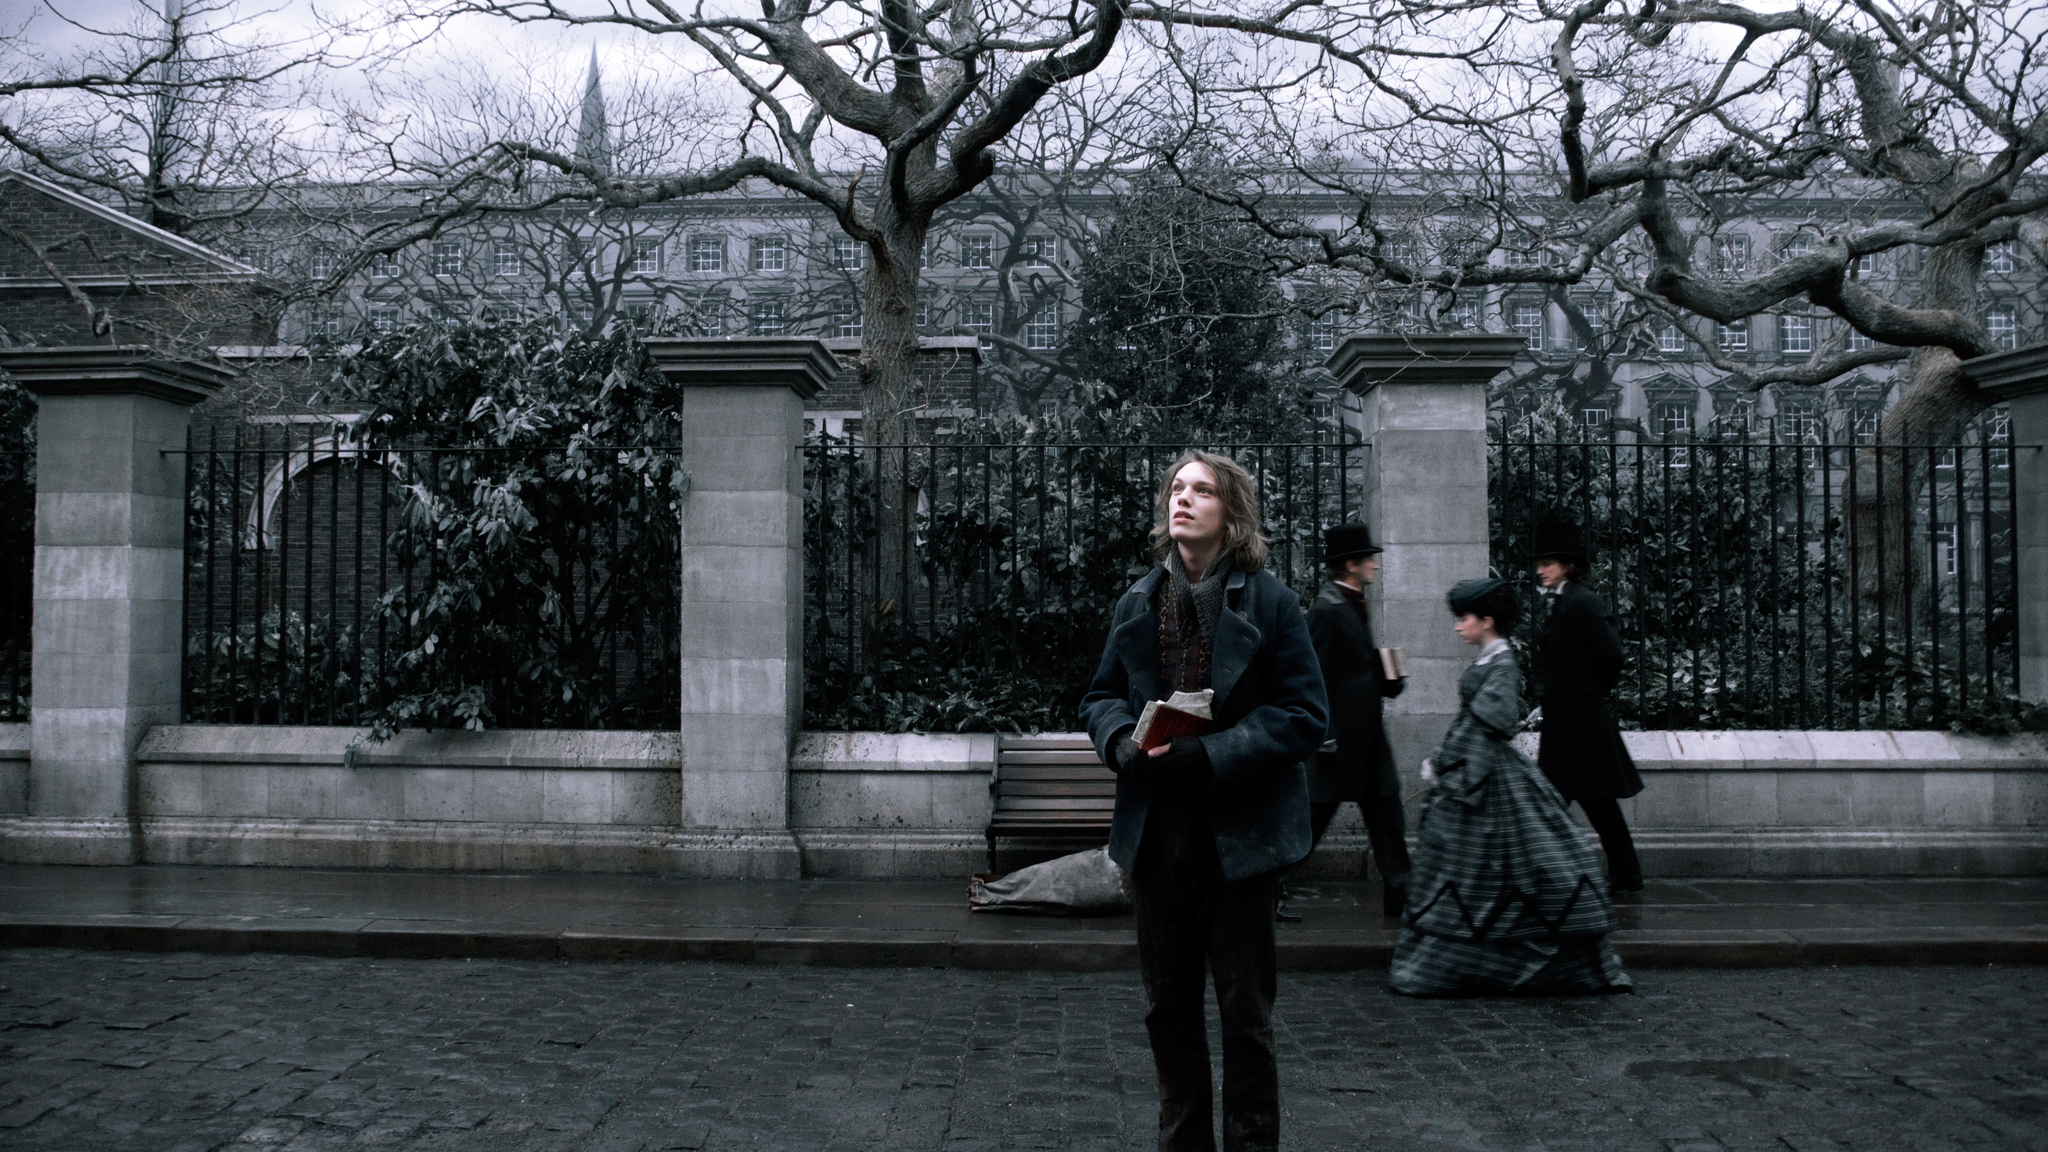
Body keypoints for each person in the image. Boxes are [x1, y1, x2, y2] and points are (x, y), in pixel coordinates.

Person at [1080, 450, 1328, 1152]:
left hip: (1241, 837)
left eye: (1202, 490)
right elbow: (1098, 696)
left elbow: (1306, 715)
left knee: (1245, 1015)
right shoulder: (1137, 600)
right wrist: (1121, 740)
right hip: (1155, 833)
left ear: (1232, 513)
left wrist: (1211, 753)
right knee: (1168, 1011)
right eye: (1177, 489)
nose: (1182, 500)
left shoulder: (1271, 602)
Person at [1390, 577, 1631, 997]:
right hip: (1474, 772)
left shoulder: (1501, 662)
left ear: (1486, 621)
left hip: (1488, 779)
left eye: (1464, 618)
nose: (1457, 626)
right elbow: (1473, 722)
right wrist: (1448, 757)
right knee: (1472, 873)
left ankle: (1506, 964)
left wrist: (1447, 761)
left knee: (1502, 870)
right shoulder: (1488, 658)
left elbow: (1493, 722)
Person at [1292, 520, 1409, 921]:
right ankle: (1264, 890)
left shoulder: (1352, 603)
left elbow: (1353, 670)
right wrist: (1326, 735)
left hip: (1368, 742)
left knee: (1389, 822)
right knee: (1310, 826)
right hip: (1340, 745)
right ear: (1351, 565)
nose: (1375, 566)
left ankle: (1403, 899)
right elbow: (1316, 676)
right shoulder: (1326, 610)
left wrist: (1388, 674)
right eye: (1369, 560)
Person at [1530, 518, 1645, 893]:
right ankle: (1624, 873)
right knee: (1590, 800)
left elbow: (1611, 654)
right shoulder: (1566, 600)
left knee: (1567, 799)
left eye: (1547, 562)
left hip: (1579, 719)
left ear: (1567, 565)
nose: (1540, 569)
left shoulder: (1582, 602)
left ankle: (1537, 872)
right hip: (1570, 718)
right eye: (1540, 562)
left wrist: (1587, 693)